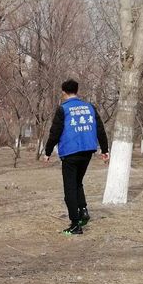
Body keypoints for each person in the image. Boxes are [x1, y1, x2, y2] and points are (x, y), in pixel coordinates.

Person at [43, 80, 109, 235]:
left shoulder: (63, 109)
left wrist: (47, 152)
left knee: (70, 189)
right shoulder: (90, 107)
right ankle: (83, 210)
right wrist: (105, 149)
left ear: (63, 92)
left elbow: (55, 132)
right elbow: (100, 129)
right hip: (87, 151)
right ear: (77, 90)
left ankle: (75, 224)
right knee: (78, 182)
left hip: (70, 152)